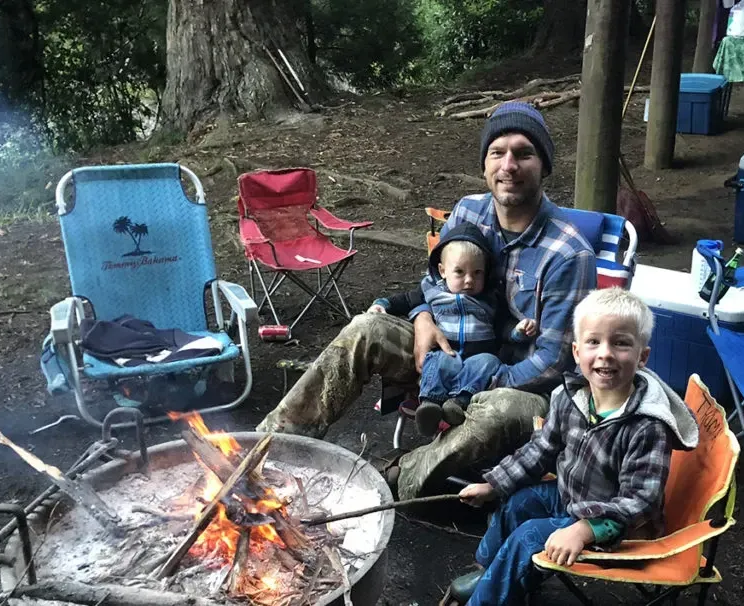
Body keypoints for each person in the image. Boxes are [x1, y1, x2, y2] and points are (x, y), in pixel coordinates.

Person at [256, 101, 598, 500]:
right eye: (497, 153)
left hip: (518, 387)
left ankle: (387, 480)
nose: (509, 165)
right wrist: (422, 318)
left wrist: (478, 382)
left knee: (499, 410)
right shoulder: (468, 211)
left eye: (524, 154)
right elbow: (433, 283)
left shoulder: (568, 253)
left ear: (544, 165)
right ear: (485, 164)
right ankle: (269, 450)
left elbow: (553, 362)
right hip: (449, 353)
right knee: (367, 328)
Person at [445, 288, 700, 606]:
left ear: (642, 357)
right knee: (517, 503)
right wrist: (492, 484)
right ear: (577, 353)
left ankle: (487, 599)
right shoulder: (569, 398)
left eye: (621, 343)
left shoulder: (647, 425)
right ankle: (490, 573)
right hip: (572, 496)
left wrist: (585, 529)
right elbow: (541, 449)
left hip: (616, 526)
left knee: (528, 537)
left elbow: (640, 502)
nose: (605, 353)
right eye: (594, 342)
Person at [366, 222, 538, 435]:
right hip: (447, 352)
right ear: (443, 271)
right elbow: (405, 300)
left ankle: (457, 403)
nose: (469, 280)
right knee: (437, 360)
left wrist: (517, 332)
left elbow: (501, 325)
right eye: (459, 272)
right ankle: (429, 404)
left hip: (476, 359)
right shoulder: (433, 291)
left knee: (489, 362)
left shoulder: (489, 298)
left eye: (477, 273)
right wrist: (382, 304)